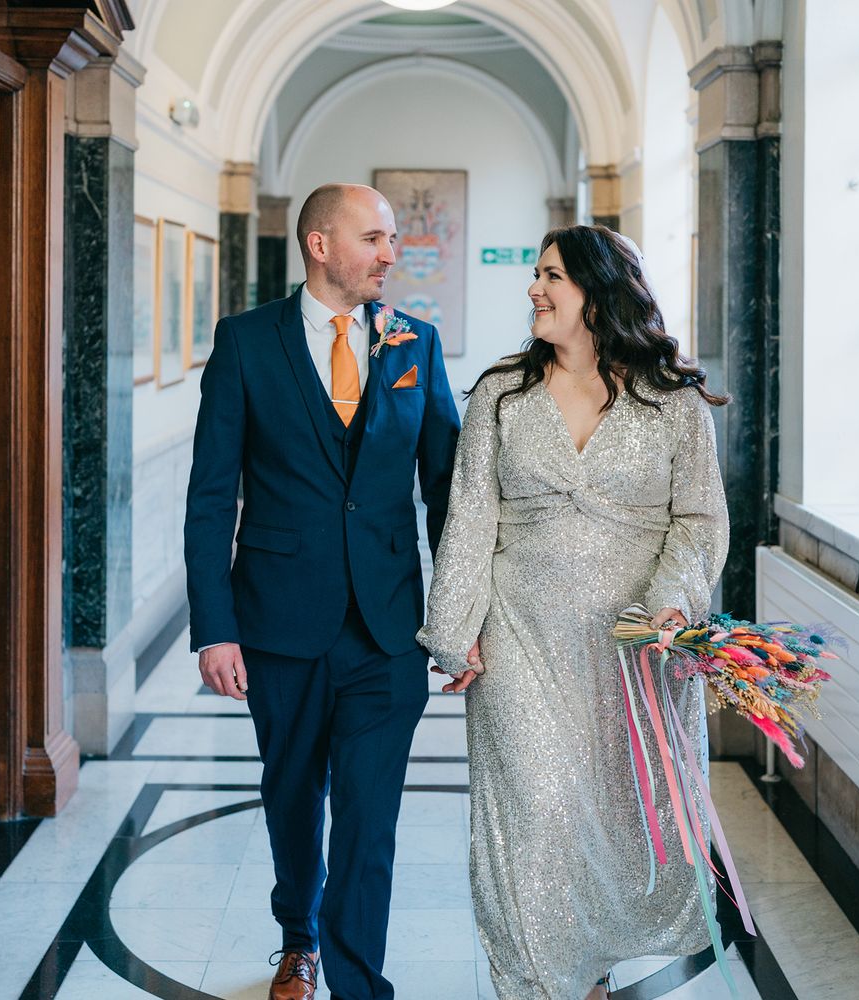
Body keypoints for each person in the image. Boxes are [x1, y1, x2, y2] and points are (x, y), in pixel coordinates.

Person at [416, 225, 729, 1000]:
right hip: (521, 638)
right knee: (534, 814)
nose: (535, 289)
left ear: (598, 290)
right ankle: (538, 982)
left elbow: (699, 519)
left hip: (635, 647)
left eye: (551, 275)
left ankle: (589, 966)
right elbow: (470, 519)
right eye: (535, 274)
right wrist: (457, 634)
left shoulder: (674, 402)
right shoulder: (501, 394)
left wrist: (671, 607)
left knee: (621, 823)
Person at [184, 183, 460, 1000]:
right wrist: (214, 628)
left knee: (371, 821)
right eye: (374, 237)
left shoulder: (416, 344)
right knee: (292, 797)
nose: (390, 254)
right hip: (277, 620)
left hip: (387, 627)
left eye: (392, 239)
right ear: (319, 245)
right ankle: (297, 937)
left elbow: (446, 494)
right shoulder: (245, 343)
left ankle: (357, 981)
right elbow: (209, 496)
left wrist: (459, 619)